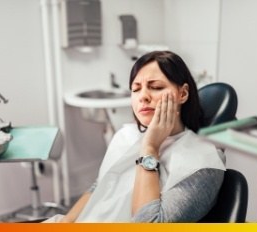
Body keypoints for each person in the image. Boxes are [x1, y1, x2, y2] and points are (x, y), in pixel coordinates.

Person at [45, 50, 226, 223]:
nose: (143, 97)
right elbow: (101, 186)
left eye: (156, 87)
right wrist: (66, 221)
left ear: (183, 93)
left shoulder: (204, 163)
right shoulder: (126, 136)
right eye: (136, 89)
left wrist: (150, 148)